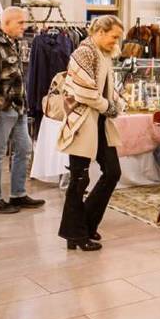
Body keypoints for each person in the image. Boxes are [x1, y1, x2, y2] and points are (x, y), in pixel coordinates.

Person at [58, 15, 125, 252]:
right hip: (82, 122)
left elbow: (106, 88)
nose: (116, 42)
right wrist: (109, 106)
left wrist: (114, 103)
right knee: (79, 179)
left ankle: (85, 224)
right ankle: (74, 234)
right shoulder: (83, 53)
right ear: (100, 32)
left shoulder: (103, 55)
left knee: (112, 172)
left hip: (98, 122)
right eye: (114, 37)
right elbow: (85, 91)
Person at [0, 6, 45, 214]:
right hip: (4, 110)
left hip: (18, 108)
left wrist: (18, 106)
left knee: (25, 149)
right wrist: (5, 106)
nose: (24, 26)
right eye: (20, 23)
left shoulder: (13, 44)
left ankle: (18, 194)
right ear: (6, 23)